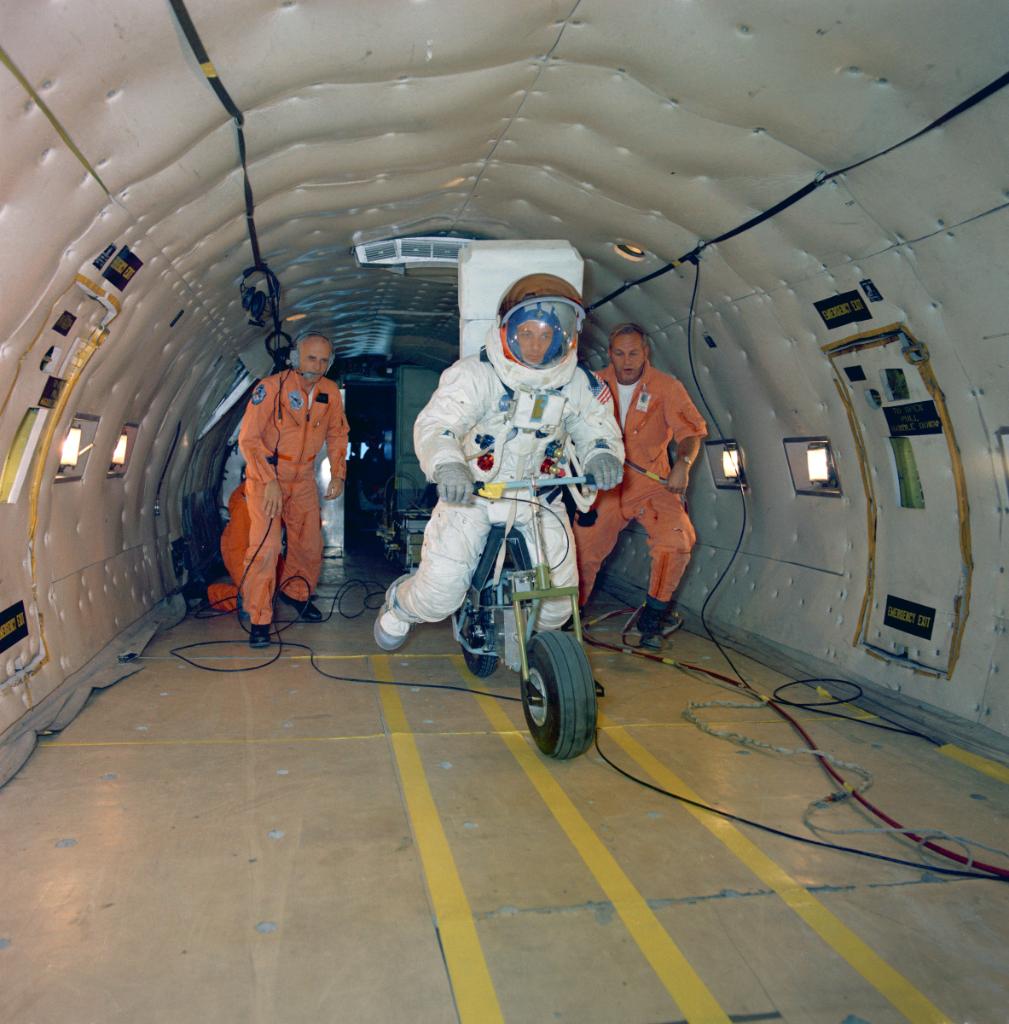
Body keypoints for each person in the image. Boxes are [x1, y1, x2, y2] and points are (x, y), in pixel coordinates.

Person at [373, 274, 624, 651]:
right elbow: (438, 425)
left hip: (537, 499)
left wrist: (602, 454)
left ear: (563, 336)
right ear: (508, 332)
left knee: (557, 605)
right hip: (473, 496)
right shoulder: (476, 375)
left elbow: (596, 427)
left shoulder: (577, 383)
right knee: (439, 595)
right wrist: (448, 464)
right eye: (527, 333)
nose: (536, 345)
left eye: (545, 335)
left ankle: (529, 650)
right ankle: (398, 609)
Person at [573, 323, 707, 649]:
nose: (627, 360)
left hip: (650, 483)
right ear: (610, 354)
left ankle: (652, 621)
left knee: (677, 540)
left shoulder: (666, 387)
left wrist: (683, 464)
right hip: (602, 486)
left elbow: (690, 432)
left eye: (634, 353)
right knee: (580, 554)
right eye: (619, 353)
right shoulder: (591, 385)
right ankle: (568, 620)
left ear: (646, 353)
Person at [238, 332, 349, 647]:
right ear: (295, 357)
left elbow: (338, 434)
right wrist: (268, 480)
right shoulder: (271, 389)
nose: (318, 365)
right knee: (267, 547)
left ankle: (297, 594)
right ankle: (259, 618)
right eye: (311, 358)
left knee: (309, 545)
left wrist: (338, 474)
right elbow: (249, 439)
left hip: (302, 478)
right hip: (268, 478)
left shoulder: (329, 392)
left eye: (324, 360)